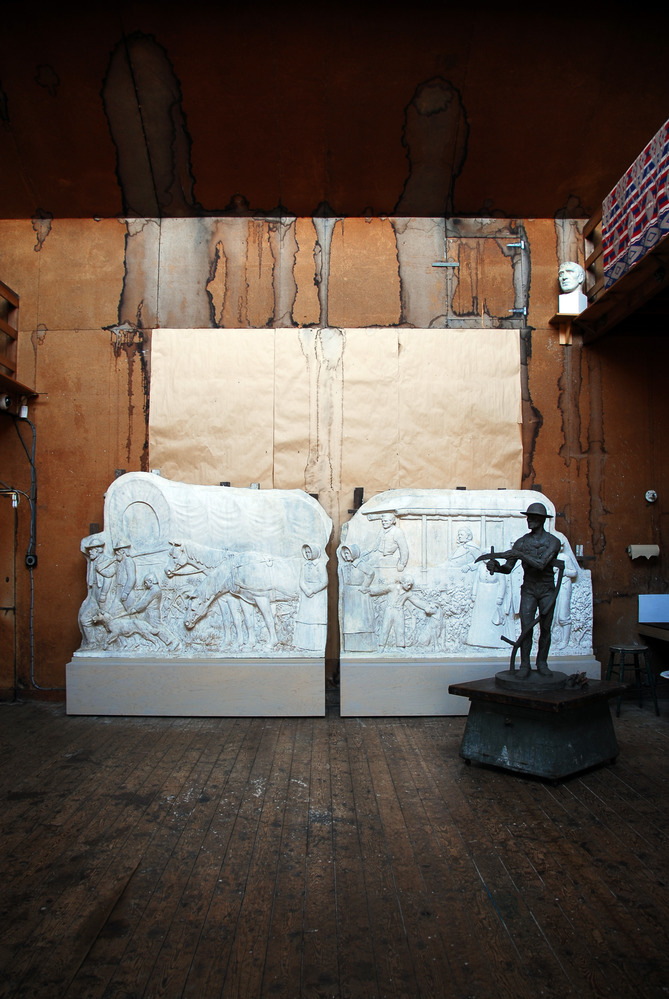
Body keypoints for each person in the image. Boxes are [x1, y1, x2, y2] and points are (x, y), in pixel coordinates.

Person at [484, 503, 561, 678]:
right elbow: (508, 568)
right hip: (529, 589)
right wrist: (496, 567)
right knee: (526, 627)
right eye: (528, 517)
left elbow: (541, 565)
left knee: (546, 628)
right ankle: (525, 664)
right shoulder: (521, 542)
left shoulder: (553, 542)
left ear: (541, 520)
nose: (529, 520)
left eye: (533, 517)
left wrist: (520, 555)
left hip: (548, 590)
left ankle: (542, 662)